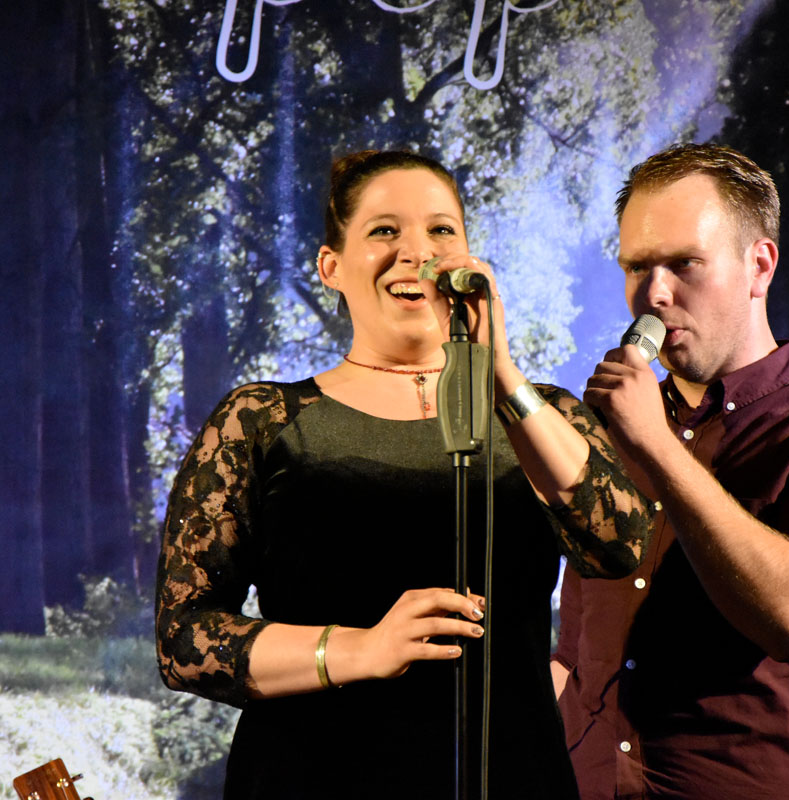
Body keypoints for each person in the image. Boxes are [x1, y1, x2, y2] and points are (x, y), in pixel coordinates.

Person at [156, 149, 653, 799]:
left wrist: (500, 373)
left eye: (441, 229)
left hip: (512, 775)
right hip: (314, 780)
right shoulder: (262, 420)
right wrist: (360, 650)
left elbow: (619, 545)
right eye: (384, 230)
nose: (417, 251)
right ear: (331, 267)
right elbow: (184, 638)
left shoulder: (543, 414)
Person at [553, 143, 789, 800]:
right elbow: (577, 646)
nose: (654, 294)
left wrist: (658, 448)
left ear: (759, 266)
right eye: (636, 266)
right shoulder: (611, 429)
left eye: (684, 263)